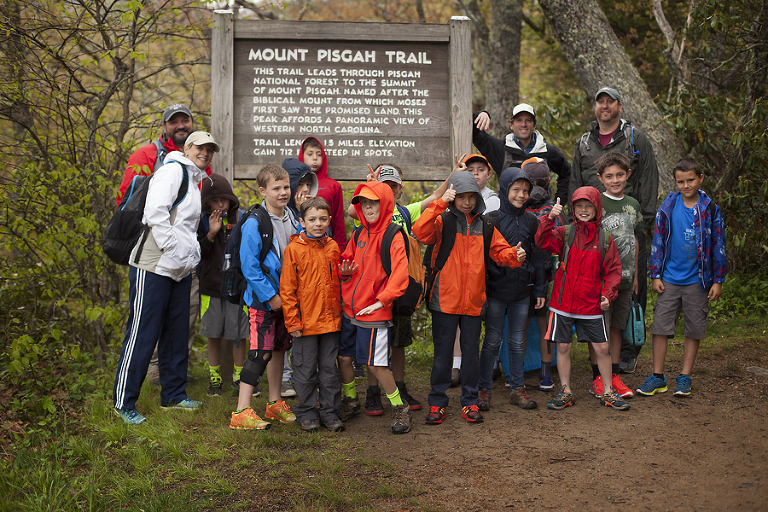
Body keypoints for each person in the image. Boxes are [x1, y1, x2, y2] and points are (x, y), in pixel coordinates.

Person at [112, 131, 216, 424]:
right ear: (187, 148)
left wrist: (189, 255)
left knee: (176, 332)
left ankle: (173, 395)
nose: (205, 153)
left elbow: (186, 226)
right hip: (154, 265)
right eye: (200, 147)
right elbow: (154, 213)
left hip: (180, 268)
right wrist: (173, 250)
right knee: (143, 332)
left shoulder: (196, 181)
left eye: (210, 149)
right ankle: (124, 403)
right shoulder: (173, 171)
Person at [413, 171, 526, 425]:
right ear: (454, 197)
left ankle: (470, 401)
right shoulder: (442, 221)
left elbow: (501, 251)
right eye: (461, 197)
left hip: (474, 301)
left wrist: (515, 256)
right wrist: (440, 202)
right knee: (442, 355)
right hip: (445, 299)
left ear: (477, 198)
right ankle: (437, 402)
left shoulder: (485, 225)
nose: (466, 202)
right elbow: (420, 231)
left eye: (470, 197)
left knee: (470, 354)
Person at [345, 161, 455, 416]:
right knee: (375, 350)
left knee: (397, 343)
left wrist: (455, 175)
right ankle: (374, 394)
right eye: (384, 186)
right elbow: (354, 208)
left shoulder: (406, 212)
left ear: (400, 188)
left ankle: (400, 388)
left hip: (401, 290)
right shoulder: (364, 222)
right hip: (372, 295)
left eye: (393, 186)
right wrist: (372, 186)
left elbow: (436, 197)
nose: (389, 190)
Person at [569, 87, 659, 373]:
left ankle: (629, 351)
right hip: (592, 231)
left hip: (631, 227)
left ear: (620, 106)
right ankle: (597, 352)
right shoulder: (584, 143)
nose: (605, 106)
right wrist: (575, 224)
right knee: (597, 288)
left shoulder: (635, 138)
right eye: (600, 101)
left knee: (632, 288)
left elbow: (648, 178)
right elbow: (574, 182)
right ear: (595, 107)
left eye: (610, 101)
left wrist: (644, 220)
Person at [637, 158, 726, 397]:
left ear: (700, 179)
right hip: (669, 278)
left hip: (699, 280)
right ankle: (657, 376)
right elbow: (657, 241)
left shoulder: (710, 209)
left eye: (690, 180)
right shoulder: (667, 206)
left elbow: (718, 245)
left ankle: (684, 377)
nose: (686, 185)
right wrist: (655, 274)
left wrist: (718, 280)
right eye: (680, 181)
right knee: (660, 327)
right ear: (675, 182)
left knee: (694, 329)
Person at [535, 187, 629, 411]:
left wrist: (608, 294)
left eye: (589, 206)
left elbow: (614, 270)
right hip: (563, 303)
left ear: (597, 209)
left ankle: (608, 391)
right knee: (563, 347)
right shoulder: (566, 233)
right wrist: (549, 218)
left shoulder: (604, 238)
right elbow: (541, 241)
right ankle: (565, 390)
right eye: (579, 206)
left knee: (602, 348)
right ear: (573, 208)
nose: (584, 210)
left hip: (591, 305)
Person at [338, 181, 411, 434]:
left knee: (376, 365)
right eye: (364, 203)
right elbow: (346, 264)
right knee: (344, 357)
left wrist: (382, 301)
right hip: (350, 309)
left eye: (373, 203)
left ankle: (399, 407)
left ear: (385, 203)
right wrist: (343, 273)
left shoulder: (393, 235)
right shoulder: (358, 234)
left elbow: (401, 275)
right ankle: (351, 401)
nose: (368, 208)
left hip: (375, 312)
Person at [229, 164, 298, 430]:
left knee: (280, 349)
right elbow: (250, 267)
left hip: (286, 298)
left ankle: (274, 404)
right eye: (276, 188)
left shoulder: (291, 217)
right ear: (262, 191)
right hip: (262, 301)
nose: (283, 193)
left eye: (286, 187)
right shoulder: (255, 222)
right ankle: (241, 412)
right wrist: (270, 297)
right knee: (260, 353)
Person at [478, 168, 545, 412]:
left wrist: (539, 289)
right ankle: (484, 389)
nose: (521, 195)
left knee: (517, 340)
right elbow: (483, 260)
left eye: (526, 191)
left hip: (522, 292)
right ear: (505, 189)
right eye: (516, 190)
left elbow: (538, 257)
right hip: (495, 290)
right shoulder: (491, 220)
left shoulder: (531, 220)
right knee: (493, 340)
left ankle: (517, 388)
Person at [280, 197, 344, 432]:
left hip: (331, 322)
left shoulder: (333, 247)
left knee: (329, 371)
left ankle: (329, 411)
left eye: (323, 219)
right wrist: (293, 322)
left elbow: (339, 283)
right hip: (305, 325)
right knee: (305, 370)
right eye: (312, 219)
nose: (318, 223)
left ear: (329, 220)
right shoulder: (293, 250)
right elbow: (287, 290)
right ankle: (306, 411)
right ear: (302, 221)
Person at [587, 153, 642, 400]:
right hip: (602, 280)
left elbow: (635, 239)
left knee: (618, 327)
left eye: (620, 174)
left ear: (628, 174)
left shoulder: (633, 204)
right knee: (600, 329)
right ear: (600, 178)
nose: (615, 180)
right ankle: (598, 377)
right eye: (609, 176)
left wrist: (637, 276)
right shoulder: (597, 204)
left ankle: (614, 373)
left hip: (627, 279)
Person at [450, 154, 500, 387]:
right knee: (462, 320)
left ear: (489, 174)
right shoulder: (453, 202)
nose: (476, 173)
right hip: (461, 272)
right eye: (471, 170)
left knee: (488, 318)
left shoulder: (494, 199)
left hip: (488, 268)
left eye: (481, 169)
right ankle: (456, 364)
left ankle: (491, 361)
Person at [197, 174, 248, 396]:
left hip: (237, 289)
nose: (220, 205)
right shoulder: (201, 221)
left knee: (238, 335)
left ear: (231, 199)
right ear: (207, 202)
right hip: (211, 288)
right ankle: (215, 377)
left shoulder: (242, 219)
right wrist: (211, 233)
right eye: (214, 201)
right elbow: (198, 255)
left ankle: (239, 376)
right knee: (213, 334)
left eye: (223, 200)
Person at [520, 157, 567, 391]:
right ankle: (546, 374)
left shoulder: (517, 206)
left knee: (519, 326)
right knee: (545, 326)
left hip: (521, 277)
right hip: (550, 279)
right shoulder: (556, 210)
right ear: (548, 182)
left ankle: (514, 374)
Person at [278, 158, 321, 399]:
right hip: (284, 284)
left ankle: (303, 376)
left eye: (308, 184)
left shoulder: (308, 214)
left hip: (308, 286)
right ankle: (284, 379)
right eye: (300, 184)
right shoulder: (281, 213)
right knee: (284, 333)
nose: (305, 190)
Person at [472, 103, 571, 205]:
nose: (523, 124)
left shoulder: (547, 151)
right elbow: (474, 134)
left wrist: (558, 203)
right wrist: (481, 114)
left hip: (541, 216)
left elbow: (567, 173)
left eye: (528, 120)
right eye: (519, 120)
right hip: (509, 216)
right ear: (511, 125)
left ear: (534, 125)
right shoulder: (500, 149)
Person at [298, 136, 347, 248]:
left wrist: (341, 249)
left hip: (326, 246)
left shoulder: (334, 186)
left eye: (319, 154)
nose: (315, 158)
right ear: (302, 156)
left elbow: (338, 222)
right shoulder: (295, 185)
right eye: (310, 154)